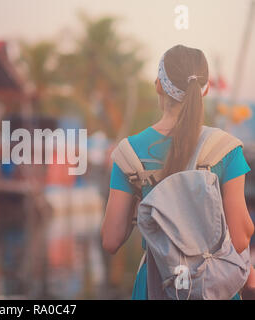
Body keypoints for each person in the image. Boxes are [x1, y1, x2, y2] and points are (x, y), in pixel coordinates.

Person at [101, 44, 255, 300]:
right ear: (205, 90)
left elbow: (111, 240)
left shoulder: (129, 154)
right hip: (212, 287)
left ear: (159, 85)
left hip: (157, 284)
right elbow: (240, 238)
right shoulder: (226, 149)